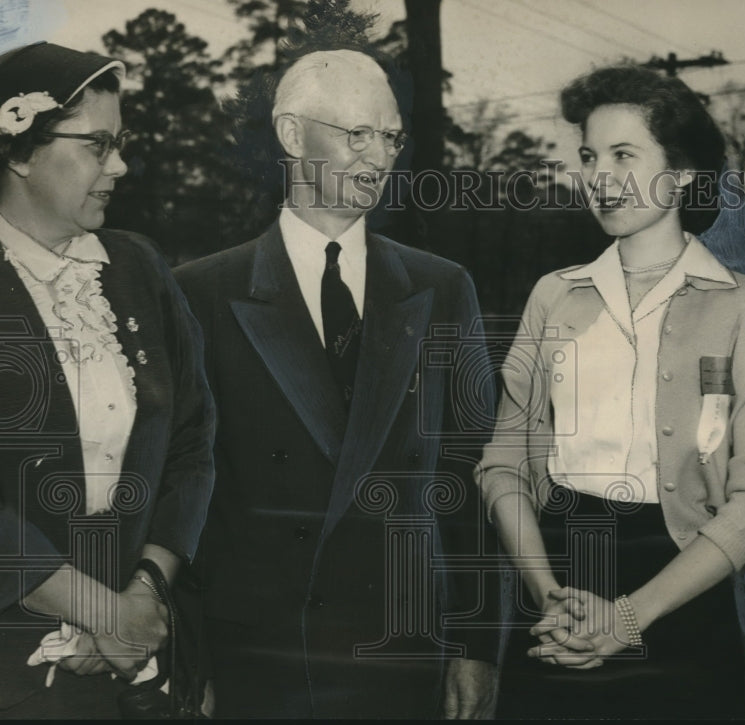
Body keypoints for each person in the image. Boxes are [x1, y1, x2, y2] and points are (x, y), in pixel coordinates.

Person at [174, 47, 501, 719]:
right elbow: (184, 495)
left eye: (390, 137)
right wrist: (189, 657)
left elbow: (472, 484)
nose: (379, 157)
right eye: (357, 134)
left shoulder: (442, 288)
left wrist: (477, 644)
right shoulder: (199, 293)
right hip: (257, 658)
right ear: (292, 135)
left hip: (403, 650)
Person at [476, 64, 745, 720]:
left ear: (681, 172)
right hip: (558, 594)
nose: (601, 176)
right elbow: (502, 463)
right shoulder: (553, 294)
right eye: (591, 156)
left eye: (626, 154)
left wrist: (629, 616)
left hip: (683, 606)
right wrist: (547, 594)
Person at [0, 42, 215, 718]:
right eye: (98, 145)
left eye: (120, 144)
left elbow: (193, 440)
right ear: (21, 152)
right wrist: (100, 612)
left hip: (143, 659)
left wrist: (143, 596)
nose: (119, 165)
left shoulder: (136, 267)